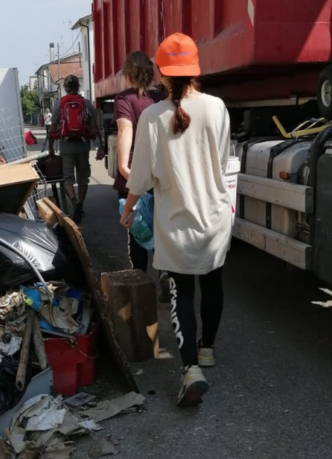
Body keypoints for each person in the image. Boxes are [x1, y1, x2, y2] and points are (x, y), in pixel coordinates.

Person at [120, 33, 232, 408]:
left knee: (181, 292)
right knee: (212, 283)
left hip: (178, 223)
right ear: (195, 70)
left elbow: (140, 176)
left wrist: (128, 207)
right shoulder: (217, 107)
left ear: (162, 75)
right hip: (215, 218)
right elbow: (222, 159)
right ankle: (207, 350)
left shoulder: (153, 116)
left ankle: (189, 371)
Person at [113, 51, 169, 301]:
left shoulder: (125, 99)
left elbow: (125, 129)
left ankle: (141, 283)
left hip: (137, 172)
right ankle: (166, 270)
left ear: (127, 75)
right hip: (163, 172)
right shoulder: (162, 96)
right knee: (163, 224)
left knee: (137, 228)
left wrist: (124, 166)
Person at [49, 74, 103, 223]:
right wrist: (101, 146)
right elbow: (94, 126)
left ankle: (74, 201)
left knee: (67, 178)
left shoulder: (59, 104)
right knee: (83, 178)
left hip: (66, 145)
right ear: (78, 87)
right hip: (83, 145)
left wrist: (50, 148)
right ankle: (81, 204)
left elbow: (53, 128)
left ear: (65, 88)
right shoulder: (86, 103)